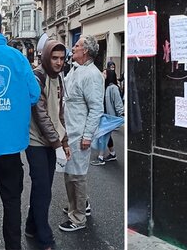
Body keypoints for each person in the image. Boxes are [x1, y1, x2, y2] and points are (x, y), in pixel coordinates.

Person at [0, 10, 40, 249]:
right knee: (12, 203)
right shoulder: (17, 58)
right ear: (1, 29)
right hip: (10, 150)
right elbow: (34, 94)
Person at [26, 40, 71, 249]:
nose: (59, 62)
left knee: (42, 188)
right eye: (54, 58)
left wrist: (65, 140)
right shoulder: (37, 76)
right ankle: (45, 237)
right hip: (36, 142)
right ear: (45, 56)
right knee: (44, 190)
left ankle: (31, 226)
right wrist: (58, 144)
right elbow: (41, 115)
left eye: (62, 58)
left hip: (52, 143)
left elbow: (59, 113)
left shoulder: (58, 78)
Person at [60, 35, 104, 232]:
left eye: (77, 45)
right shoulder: (77, 70)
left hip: (79, 133)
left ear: (85, 51)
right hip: (71, 131)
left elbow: (96, 108)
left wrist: (87, 136)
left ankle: (77, 218)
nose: (73, 48)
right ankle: (79, 205)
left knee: (76, 175)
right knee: (70, 172)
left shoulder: (92, 75)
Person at [91, 69, 124, 166]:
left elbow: (118, 103)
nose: (103, 74)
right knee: (106, 135)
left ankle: (101, 157)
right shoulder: (104, 86)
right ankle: (112, 153)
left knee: (102, 135)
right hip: (104, 116)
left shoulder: (113, 88)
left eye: (105, 73)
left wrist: (121, 114)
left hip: (109, 117)